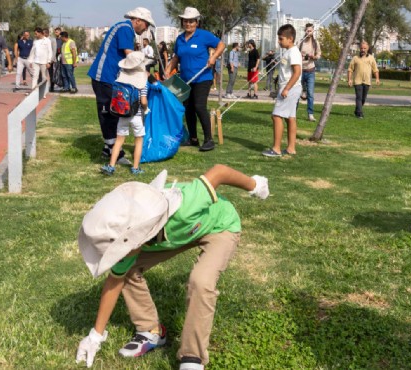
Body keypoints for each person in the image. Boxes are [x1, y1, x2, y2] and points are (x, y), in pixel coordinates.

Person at [75, 164, 270, 370]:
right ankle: (151, 332)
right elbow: (114, 281)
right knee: (127, 271)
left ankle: (192, 357)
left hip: (220, 226)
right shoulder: (130, 242)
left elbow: (219, 172)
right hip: (175, 235)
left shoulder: (185, 206)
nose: (117, 254)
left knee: (201, 282)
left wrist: (255, 185)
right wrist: (95, 336)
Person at [88, 7, 155, 162]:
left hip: (110, 77)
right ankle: (113, 150)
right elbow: (129, 55)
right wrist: (146, 71)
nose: (146, 28)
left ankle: (108, 148)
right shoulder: (125, 28)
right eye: (146, 24)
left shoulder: (124, 28)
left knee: (113, 112)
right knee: (108, 112)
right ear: (137, 21)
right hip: (104, 76)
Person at [165, 7, 225, 152]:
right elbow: (176, 57)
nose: (188, 24)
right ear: (182, 22)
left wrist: (214, 57)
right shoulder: (179, 39)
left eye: (191, 21)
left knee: (199, 106)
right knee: (188, 109)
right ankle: (193, 139)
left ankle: (209, 140)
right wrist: (168, 69)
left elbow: (221, 44)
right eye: (186, 21)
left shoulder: (204, 35)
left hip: (203, 78)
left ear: (197, 22)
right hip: (185, 80)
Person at [100, 52, 150, 176]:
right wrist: (146, 109)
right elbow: (143, 101)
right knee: (138, 140)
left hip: (122, 114)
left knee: (119, 141)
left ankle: (111, 166)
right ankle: (135, 168)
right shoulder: (143, 81)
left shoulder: (120, 76)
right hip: (137, 115)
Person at [261, 24, 302, 157]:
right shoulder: (288, 51)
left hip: (290, 89)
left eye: (281, 39)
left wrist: (286, 89)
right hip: (288, 88)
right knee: (290, 118)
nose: (279, 41)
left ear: (290, 39)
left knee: (276, 116)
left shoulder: (294, 52)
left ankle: (276, 149)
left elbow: (297, 72)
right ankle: (291, 148)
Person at [347, 41, 379, 119]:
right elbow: (350, 69)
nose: (363, 50)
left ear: (367, 49)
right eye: (361, 48)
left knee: (363, 98)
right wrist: (349, 79)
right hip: (357, 81)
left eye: (365, 48)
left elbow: (375, 69)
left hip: (367, 81)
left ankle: (357, 110)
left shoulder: (371, 58)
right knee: (359, 97)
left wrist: (377, 78)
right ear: (359, 49)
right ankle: (360, 114)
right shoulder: (355, 58)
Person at [299, 23, 321, 121]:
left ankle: (310, 114)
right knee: (296, 93)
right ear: (305, 31)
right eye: (307, 31)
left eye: (310, 31)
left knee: (310, 94)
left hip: (311, 70)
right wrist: (301, 56)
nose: (309, 32)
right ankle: (293, 113)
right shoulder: (300, 42)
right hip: (300, 70)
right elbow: (296, 53)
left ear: (313, 31)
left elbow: (319, 54)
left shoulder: (315, 43)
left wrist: (314, 57)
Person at [28, 27, 52, 96]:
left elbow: (50, 51)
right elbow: (32, 52)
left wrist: (49, 61)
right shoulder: (35, 41)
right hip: (36, 61)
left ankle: (43, 93)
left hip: (44, 62)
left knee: (44, 77)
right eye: (34, 34)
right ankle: (33, 92)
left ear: (41, 33)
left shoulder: (47, 40)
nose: (35, 35)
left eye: (36, 34)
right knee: (35, 76)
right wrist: (30, 61)